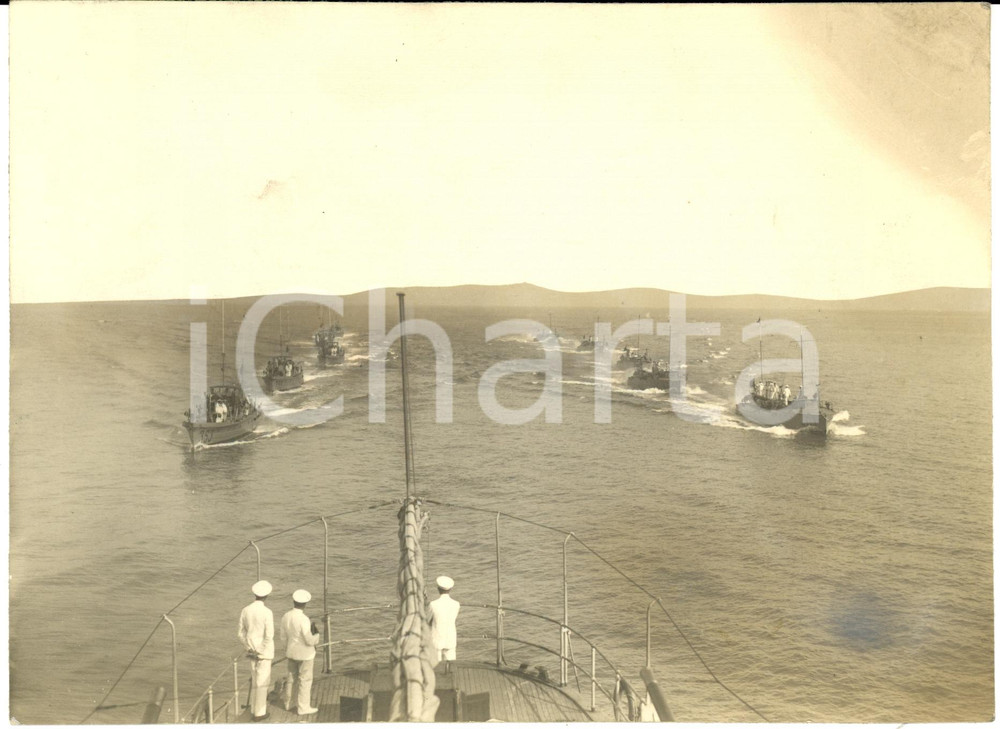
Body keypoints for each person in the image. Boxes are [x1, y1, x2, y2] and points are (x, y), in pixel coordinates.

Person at [279, 589, 320, 716]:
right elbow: (309, 640)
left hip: (291, 652)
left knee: (291, 678)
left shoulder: (286, 616)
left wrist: (287, 649)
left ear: (294, 601)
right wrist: (317, 634)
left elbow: (283, 637)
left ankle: (288, 703)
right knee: (305, 680)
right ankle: (303, 708)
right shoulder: (304, 619)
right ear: (305, 604)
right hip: (305, 655)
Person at [238, 580, 275, 722]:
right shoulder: (267, 612)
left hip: (251, 652)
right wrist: (259, 650)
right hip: (263, 653)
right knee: (263, 682)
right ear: (266, 596)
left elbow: (240, 634)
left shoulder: (245, 610)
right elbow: (269, 635)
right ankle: (259, 713)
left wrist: (250, 648)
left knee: (255, 680)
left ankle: (254, 708)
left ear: (255, 594)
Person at [428, 575, 461, 661]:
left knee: (436, 665)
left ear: (438, 589)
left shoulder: (433, 604)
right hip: (450, 638)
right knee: (451, 664)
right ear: (450, 589)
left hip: (436, 639)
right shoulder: (456, 604)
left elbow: (427, 620)